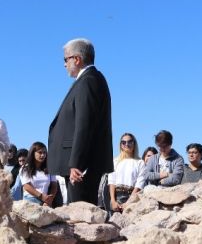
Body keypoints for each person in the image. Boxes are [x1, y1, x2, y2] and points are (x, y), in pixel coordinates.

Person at [48, 38, 113, 205]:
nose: (64, 64)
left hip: (80, 167)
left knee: (80, 217)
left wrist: (77, 163)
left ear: (77, 59)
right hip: (78, 164)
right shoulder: (88, 80)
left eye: (65, 59)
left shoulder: (89, 81)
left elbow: (85, 124)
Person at [107, 133, 145, 214]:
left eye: (129, 142)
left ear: (134, 143)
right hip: (116, 199)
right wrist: (113, 201)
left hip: (132, 198)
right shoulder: (115, 161)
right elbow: (111, 182)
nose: (126, 144)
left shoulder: (140, 162)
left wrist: (129, 202)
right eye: (123, 142)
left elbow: (139, 185)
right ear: (120, 145)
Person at [21, 141, 58, 206]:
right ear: (33, 153)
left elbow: (54, 185)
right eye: (40, 152)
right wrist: (41, 196)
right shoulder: (25, 168)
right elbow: (26, 186)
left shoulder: (49, 168)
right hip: (30, 200)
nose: (43, 155)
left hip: (46, 201)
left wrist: (50, 199)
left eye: (44, 153)